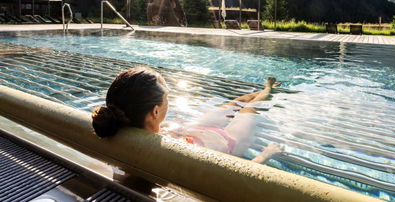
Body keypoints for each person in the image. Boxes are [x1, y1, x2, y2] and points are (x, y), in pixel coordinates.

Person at [91, 66, 282, 164]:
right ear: (155, 112)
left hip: (190, 133)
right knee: (249, 108)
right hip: (227, 143)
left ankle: (260, 90)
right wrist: (265, 155)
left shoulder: (123, 130)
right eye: (167, 94)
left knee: (233, 104)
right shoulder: (175, 155)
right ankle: (267, 88)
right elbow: (233, 176)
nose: (169, 98)